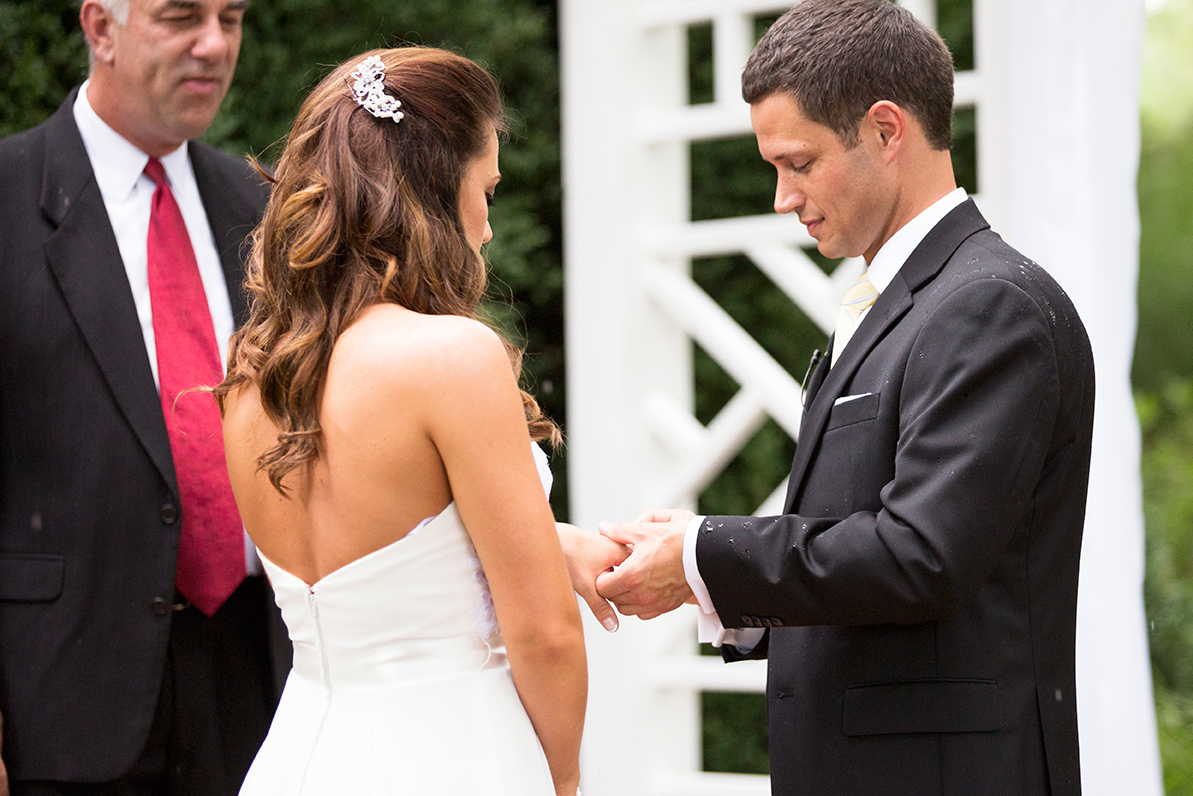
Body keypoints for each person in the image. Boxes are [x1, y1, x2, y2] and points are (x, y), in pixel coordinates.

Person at [594, 2, 1095, 795]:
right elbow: (859, 546)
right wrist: (704, 574)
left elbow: (919, 557)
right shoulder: (908, 298)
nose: (782, 198)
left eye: (797, 162)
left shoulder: (988, 305)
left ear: (886, 130)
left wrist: (705, 553)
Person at [218, 47, 613, 796]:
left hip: (299, 756)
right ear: (436, 184)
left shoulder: (250, 374)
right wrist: (560, 780)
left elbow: (376, 561)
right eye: (486, 190)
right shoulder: (451, 358)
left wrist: (545, 539)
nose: (488, 228)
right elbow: (545, 636)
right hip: (453, 752)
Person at [0, 0, 292, 794]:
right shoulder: (8, 197)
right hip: (60, 701)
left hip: (256, 683)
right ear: (101, 29)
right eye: (181, 17)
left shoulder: (261, 208)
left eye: (230, 18)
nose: (213, 44)